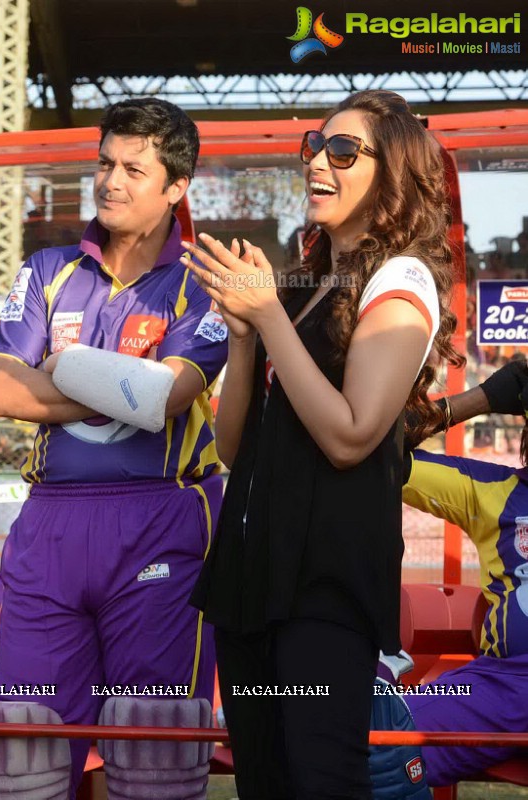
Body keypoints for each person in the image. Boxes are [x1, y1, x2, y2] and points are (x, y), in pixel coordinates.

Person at [188, 89, 461, 797]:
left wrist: (268, 315)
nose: (319, 160)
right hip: (250, 574)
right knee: (265, 782)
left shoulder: (402, 279)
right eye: (315, 144)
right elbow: (230, 447)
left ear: (394, 173)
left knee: (320, 781)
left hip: (323, 586)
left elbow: (350, 437)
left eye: (344, 150)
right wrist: (246, 340)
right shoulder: (307, 279)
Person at [0, 98, 227, 800]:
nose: (110, 181)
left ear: (177, 186)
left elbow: (165, 399)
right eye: (104, 164)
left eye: (133, 169)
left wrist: (54, 370)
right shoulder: (50, 267)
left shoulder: (201, 282)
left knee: (154, 749)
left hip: (161, 521)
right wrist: (117, 383)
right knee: (18, 744)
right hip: (49, 521)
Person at [389, 360, 528, 786]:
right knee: (376, 737)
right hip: (507, 687)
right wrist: (477, 400)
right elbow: (375, 449)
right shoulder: (494, 492)